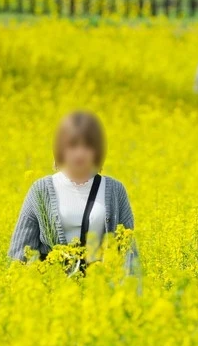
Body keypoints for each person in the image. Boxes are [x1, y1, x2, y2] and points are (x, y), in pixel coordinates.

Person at [8, 111, 137, 272]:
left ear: (97, 150)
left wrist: (130, 291)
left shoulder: (115, 190)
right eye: (73, 145)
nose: (80, 153)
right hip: (52, 288)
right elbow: (20, 251)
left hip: (100, 287)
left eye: (88, 146)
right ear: (61, 149)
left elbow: (128, 251)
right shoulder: (41, 190)